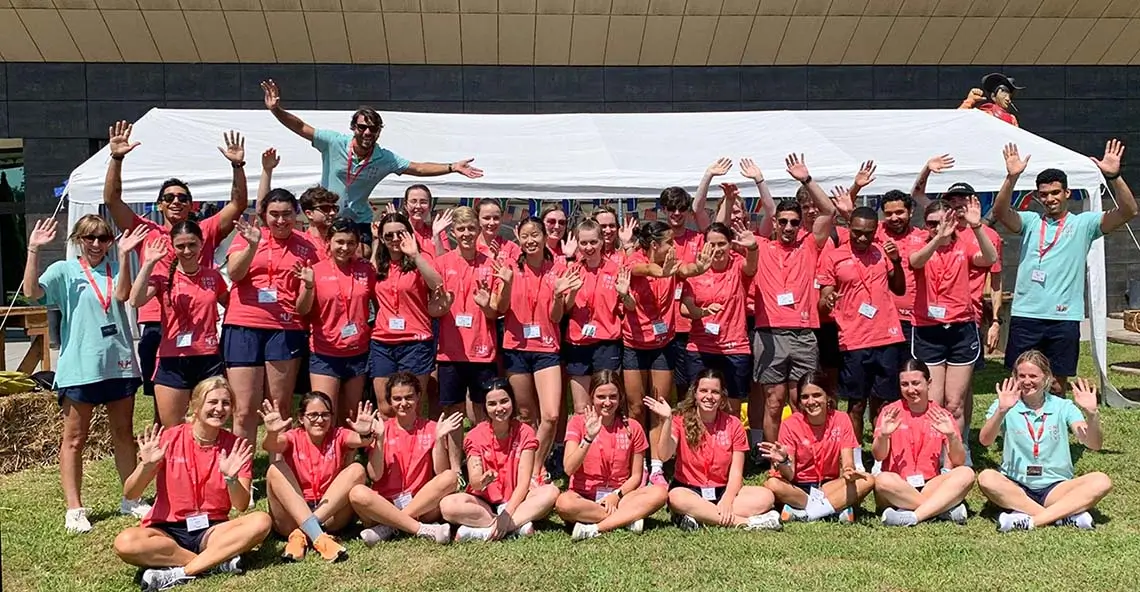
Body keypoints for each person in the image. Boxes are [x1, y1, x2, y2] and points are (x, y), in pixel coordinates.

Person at [101, 121, 247, 417]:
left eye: (182, 198)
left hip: (200, 327)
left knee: (208, 407)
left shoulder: (203, 230)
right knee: (165, 409)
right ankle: (168, 459)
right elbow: (112, 200)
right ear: (160, 204)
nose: (176, 201)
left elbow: (239, 202)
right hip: (158, 325)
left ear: (192, 205)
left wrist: (237, 166)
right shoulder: (146, 230)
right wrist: (116, 159)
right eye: (169, 198)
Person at [24, 217, 149, 532]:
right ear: (79, 239)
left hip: (118, 364)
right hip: (80, 368)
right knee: (75, 439)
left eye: (103, 237)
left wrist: (122, 255)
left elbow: (122, 297)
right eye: (90, 237)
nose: (97, 244)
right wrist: (33, 250)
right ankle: (75, 509)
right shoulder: (65, 271)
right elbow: (31, 293)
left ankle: (131, 499)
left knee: (123, 434)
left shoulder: (117, 266)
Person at [261, 79, 482, 247]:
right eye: (362, 127)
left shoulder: (385, 157)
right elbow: (301, 127)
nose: (367, 132)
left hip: (359, 220)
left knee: (364, 260)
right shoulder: (333, 142)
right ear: (353, 128)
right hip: (328, 217)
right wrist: (276, 110)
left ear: (378, 132)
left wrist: (452, 167)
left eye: (373, 129)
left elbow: (418, 167)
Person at [992, 140, 1138, 395]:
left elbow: (1128, 211)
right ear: (1038, 196)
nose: (1050, 199)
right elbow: (1001, 211)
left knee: (1058, 384)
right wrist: (1011, 178)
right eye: (1045, 194)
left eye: (1055, 192)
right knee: (1020, 382)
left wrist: (1113, 176)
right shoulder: (1029, 221)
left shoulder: (1085, 224)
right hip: (1027, 314)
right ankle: (1018, 433)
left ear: (1067, 193)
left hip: (1064, 317)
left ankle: (1053, 432)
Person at [112, 377, 270, 591]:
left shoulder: (235, 447)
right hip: (167, 530)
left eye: (225, 403)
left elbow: (241, 505)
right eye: (212, 402)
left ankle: (181, 572)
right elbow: (131, 493)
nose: (219, 409)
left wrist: (231, 479)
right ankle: (214, 562)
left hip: (212, 530)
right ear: (195, 406)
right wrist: (146, 467)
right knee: (125, 542)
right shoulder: (169, 439)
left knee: (261, 521)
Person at [748, 154, 840, 457]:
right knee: (773, 401)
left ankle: (807, 453)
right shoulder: (760, 246)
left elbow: (829, 210)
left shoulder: (810, 244)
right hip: (769, 333)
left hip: (803, 334)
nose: (789, 227)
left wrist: (806, 179)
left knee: (803, 398)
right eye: (784, 221)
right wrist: (760, 182)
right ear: (774, 222)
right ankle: (773, 457)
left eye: (794, 222)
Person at [224, 189, 319, 445]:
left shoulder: (306, 245)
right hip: (243, 324)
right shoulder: (248, 235)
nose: (280, 220)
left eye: (286, 214)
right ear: (264, 215)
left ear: (296, 214)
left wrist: (309, 287)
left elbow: (303, 307)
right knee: (243, 410)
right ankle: (241, 473)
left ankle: (279, 472)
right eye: (274, 215)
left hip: (285, 328)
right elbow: (234, 273)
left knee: (280, 408)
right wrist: (253, 245)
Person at [977, 351, 1111, 532]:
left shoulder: (1063, 406)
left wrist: (1092, 415)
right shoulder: (1005, 403)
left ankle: (1028, 520)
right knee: (987, 478)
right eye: (1021, 376)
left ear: (1046, 377)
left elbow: (1094, 444)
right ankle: (1062, 516)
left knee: (1101, 481)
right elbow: (985, 440)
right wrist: (1001, 411)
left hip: (1056, 487)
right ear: (1015, 377)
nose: (1027, 381)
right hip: (1017, 486)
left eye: (1033, 376)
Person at [623, 220, 711, 486]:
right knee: (637, 408)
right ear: (653, 245)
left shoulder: (672, 262)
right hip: (633, 345)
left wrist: (701, 267)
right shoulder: (633, 259)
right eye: (669, 242)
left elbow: (686, 269)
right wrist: (663, 272)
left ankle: (658, 465)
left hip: (662, 344)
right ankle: (636, 463)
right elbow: (644, 268)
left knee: (659, 406)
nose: (674, 246)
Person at [817, 206, 906, 465]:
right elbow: (823, 300)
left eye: (868, 233)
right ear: (850, 229)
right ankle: (854, 459)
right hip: (853, 340)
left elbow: (898, 289)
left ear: (875, 231)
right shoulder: (833, 256)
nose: (863, 238)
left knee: (884, 403)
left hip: (888, 337)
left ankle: (880, 459)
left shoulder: (882, 252)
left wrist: (898, 261)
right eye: (857, 233)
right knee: (856, 403)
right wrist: (828, 298)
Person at [644, 369, 782, 531]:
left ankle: (698, 516)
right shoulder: (680, 420)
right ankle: (748, 523)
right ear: (695, 394)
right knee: (675, 497)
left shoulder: (734, 424)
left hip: (722, 490)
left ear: (722, 397)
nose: (709, 396)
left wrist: (727, 500)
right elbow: (664, 454)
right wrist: (667, 420)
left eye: (715, 392)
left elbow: (736, 473)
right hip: (689, 490)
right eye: (703, 391)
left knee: (765, 497)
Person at [909, 199, 997, 446]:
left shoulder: (965, 243)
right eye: (931, 223)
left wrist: (977, 226)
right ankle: (933, 453)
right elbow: (915, 262)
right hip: (928, 329)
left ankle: (959, 450)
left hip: (961, 329)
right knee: (934, 402)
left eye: (944, 222)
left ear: (955, 222)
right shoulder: (920, 241)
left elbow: (989, 258)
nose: (938, 227)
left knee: (955, 403)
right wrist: (937, 238)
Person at [431, 207, 511, 468]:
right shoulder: (441, 264)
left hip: (482, 350)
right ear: (453, 233)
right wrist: (442, 306)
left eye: (471, 229)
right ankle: (456, 467)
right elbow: (432, 307)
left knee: (483, 410)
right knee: (453, 413)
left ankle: (484, 461)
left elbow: (496, 311)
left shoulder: (491, 264)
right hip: (450, 352)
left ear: (478, 232)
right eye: (461, 229)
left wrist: (486, 304)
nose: (466, 234)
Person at [129, 223, 229, 426]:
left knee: (210, 424)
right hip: (172, 359)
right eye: (180, 246)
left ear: (201, 244)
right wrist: (148, 263)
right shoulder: (163, 278)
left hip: (208, 358)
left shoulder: (213, 277)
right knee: (173, 428)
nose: (187, 251)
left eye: (192, 244)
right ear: (172, 247)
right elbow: (135, 300)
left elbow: (232, 304)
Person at [349, 372, 463, 545]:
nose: (403, 403)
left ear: (418, 396)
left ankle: (390, 526)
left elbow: (441, 472)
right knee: (357, 493)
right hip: (385, 504)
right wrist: (379, 440)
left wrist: (439, 439)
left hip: (421, 504)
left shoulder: (432, 427)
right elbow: (375, 476)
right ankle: (420, 528)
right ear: (389, 401)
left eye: (409, 397)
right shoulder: (381, 429)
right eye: (397, 398)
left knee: (450, 477)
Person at [439, 379, 560, 541]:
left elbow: (523, 483)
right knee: (447, 505)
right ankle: (514, 526)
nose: (499, 408)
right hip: (484, 502)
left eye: (504, 401)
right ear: (485, 407)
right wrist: (482, 481)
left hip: (517, 498)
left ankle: (487, 531)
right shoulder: (474, 436)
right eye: (492, 404)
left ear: (512, 402)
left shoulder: (525, 432)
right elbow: (474, 482)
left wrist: (507, 513)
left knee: (551, 492)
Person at [502, 216, 575, 482]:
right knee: (524, 414)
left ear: (545, 237)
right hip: (516, 347)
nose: (531, 240)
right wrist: (506, 284)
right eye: (525, 236)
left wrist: (558, 295)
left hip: (546, 348)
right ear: (518, 240)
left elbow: (557, 317)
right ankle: (526, 469)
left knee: (552, 415)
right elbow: (500, 308)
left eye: (536, 234)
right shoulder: (510, 267)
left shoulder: (558, 267)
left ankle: (535, 467)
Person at [259, 394, 375, 562]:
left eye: (325, 414)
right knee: (275, 469)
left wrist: (365, 433)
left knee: (357, 468)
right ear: (301, 417)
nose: (319, 420)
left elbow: (362, 441)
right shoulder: (293, 436)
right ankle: (318, 536)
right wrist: (271, 433)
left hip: (329, 514)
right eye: (313, 415)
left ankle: (304, 531)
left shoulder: (338, 435)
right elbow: (271, 445)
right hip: (291, 514)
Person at [555, 370, 667, 540]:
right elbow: (569, 468)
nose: (607, 402)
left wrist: (616, 495)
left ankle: (594, 527)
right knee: (564, 503)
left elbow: (636, 477)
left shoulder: (633, 427)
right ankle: (625, 518)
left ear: (620, 397)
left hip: (621, 497)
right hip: (585, 497)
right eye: (601, 397)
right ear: (592, 396)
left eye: (613, 396)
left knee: (659, 493)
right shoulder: (577, 423)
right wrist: (588, 438)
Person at [759, 371, 874, 524]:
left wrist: (848, 471)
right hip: (798, 487)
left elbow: (847, 462)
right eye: (805, 397)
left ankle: (807, 513)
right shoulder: (790, 424)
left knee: (868, 480)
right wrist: (784, 460)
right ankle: (833, 509)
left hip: (828, 486)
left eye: (817, 395)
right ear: (799, 401)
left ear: (828, 397)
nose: (811, 401)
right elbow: (790, 475)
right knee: (772, 483)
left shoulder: (841, 419)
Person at [873, 359, 974, 526]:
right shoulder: (890, 412)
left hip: (929, 484)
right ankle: (941, 510)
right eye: (904, 384)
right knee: (883, 480)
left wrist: (951, 436)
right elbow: (879, 455)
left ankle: (912, 515)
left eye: (916, 383)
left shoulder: (941, 415)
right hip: (897, 486)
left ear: (929, 383)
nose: (910, 390)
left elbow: (958, 461)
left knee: (966, 473)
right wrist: (883, 436)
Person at [296, 218, 374, 425]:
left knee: (350, 415)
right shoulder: (315, 270)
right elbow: (302, 310)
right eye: (339, 242)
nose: (345, 248)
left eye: (350, 243)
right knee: (324, 411)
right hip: (325, 353)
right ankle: (325, 457)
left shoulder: (366, 269)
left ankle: (347, 457)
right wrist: (309, 287)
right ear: (329, 242)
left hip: (357, 351)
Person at [370, 212, 444, 416]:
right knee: (385, 406)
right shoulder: (379, 264)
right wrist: (376, 242)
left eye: (400, 234)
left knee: (410, 406)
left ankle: (412, 447)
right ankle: (387, 447)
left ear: (409, 234)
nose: (395, 240)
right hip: (382, 342)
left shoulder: (421, 260)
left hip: (415, 341)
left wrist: (415, 255)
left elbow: (437, 283)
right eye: (389, 236)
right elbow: (368, 280)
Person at [680, 221, 758, 414]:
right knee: (698, 405)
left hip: (734, 347)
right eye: (712, 244)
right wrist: (703, 312)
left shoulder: (738, 264)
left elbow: (752, 267)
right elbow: (684, 308)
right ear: (704, 246)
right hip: (700, 347)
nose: (717, 249)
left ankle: (730, 443)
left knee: (731, 407)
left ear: (730, 244)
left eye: (722, 243)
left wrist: (753, 248)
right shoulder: (696, 270)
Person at [564, 220, 625, 413]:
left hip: (606, 343)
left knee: (606, 405)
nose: (588, 247)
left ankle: (607, 443)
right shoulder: (573, 269)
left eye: (593, 242)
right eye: (583, 243)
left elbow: (626, 307)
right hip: (578, 343)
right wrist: (572, 293)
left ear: (601, 242)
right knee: (581, 407)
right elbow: (564, 310)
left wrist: (626, 295)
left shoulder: (616, 269)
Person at [660, 183, 710, 397]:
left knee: (689, 386)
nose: (677, 213)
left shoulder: (698, 239)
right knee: (659, 389)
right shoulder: (657, 240)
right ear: (664, 210)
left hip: (689, 324)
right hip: (661, 323)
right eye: (672, 208)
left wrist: (708, 176)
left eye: (681, 208)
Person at [874, 190, 927, 359]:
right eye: (889, 214)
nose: (894, 218)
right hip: (881, 317)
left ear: (910, 211)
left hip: (912, 318)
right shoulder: (875, 233)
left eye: (899, 212)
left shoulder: (923, 237)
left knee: (910, 370)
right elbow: (850, 216)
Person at [401, 184, 451, 256]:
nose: (418, 206)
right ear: (405, 205)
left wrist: (436, 236)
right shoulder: (399, 232)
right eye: (413, 201)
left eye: (423, 202)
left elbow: (445, 262)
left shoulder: (439, 233)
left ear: (430, 206)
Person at [297, 184, 341, 261]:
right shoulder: (301, 242)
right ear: (309, 214)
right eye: (325, 208)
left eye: (334, 208)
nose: (332, 212)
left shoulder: (341, 241)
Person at [474, 198, 522, 264]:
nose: (492, 223)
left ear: (501, 219)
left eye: (496, 218)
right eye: (486, 218)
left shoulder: (512, 248)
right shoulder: (471, 247)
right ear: (477, 219)